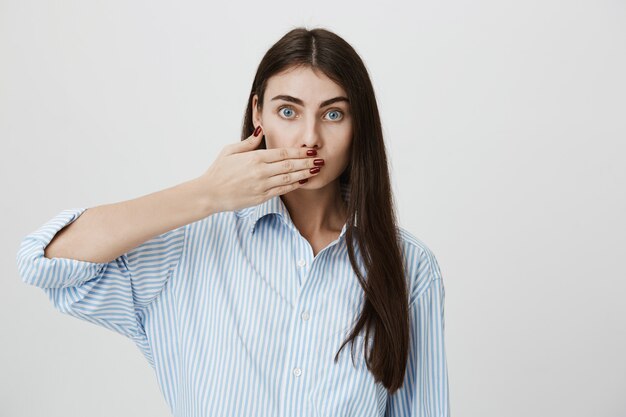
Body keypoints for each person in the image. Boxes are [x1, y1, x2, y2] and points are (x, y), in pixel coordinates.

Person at [16, 27, 450, 417]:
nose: (310, 137)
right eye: (288, 111)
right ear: (258, 114)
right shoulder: (188, 247)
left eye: (333, 114)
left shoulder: (409, 267)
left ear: (360, 126)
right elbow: (47, 260)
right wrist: (207, 193)